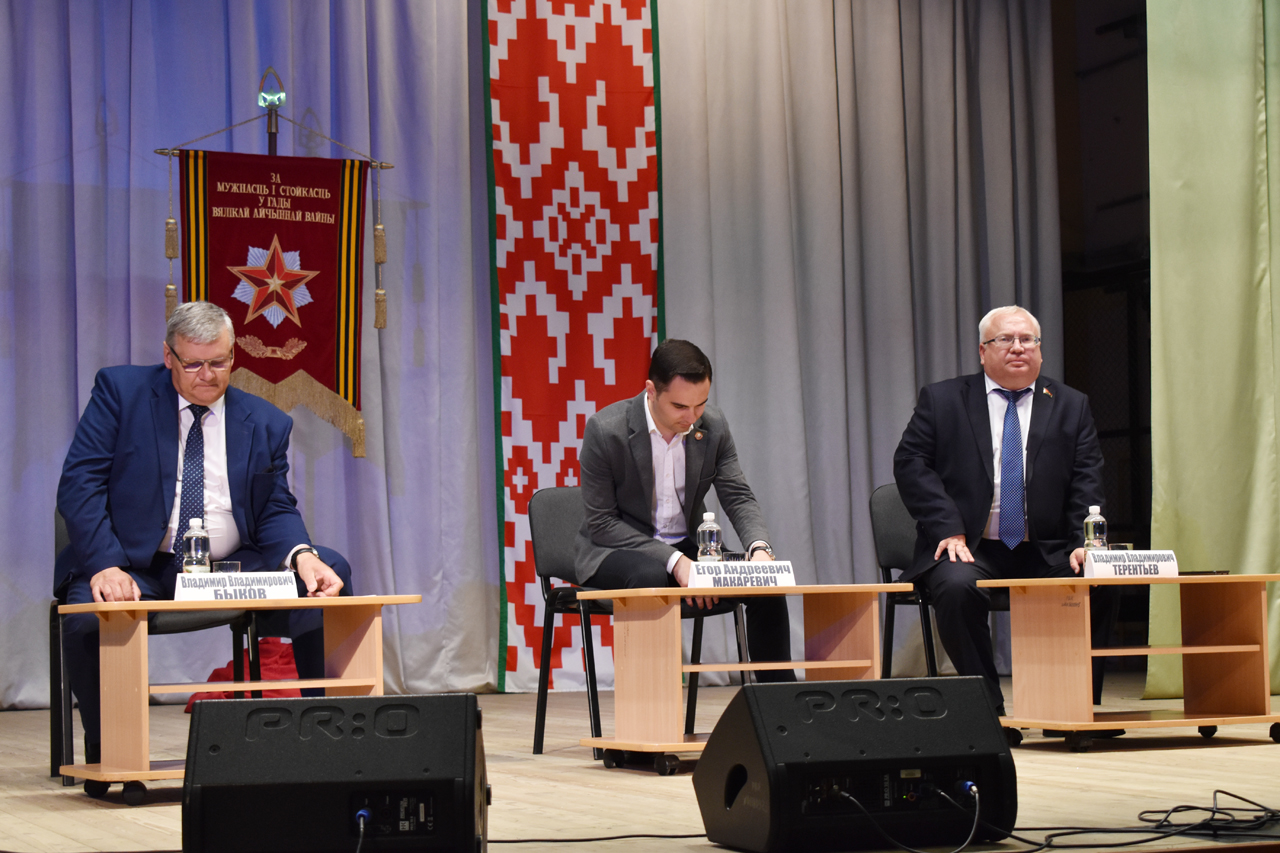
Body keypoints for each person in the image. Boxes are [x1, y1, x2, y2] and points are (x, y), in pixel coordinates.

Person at [56, 301, 350, 759]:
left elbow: (274, 506)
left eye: (219, 362)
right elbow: (80, 484)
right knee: (86, 618)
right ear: (169, 356)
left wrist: (301, 554)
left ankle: (328, 738)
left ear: (233, 355)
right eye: (193, 364)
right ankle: (110, 750)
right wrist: (105, 565)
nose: (208, 376)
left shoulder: (266, 421)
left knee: (328, 572)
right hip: (137, 566)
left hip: (228, 570)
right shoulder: (121, 392)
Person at [892, 306, 1104, 711]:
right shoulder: (943, 399)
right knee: (956, 589)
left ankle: (1071, 708)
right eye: (1005, 339)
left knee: (1098, 580)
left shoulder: (1070, 404)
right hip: (971, 547)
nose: (1017, 347)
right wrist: (947, 527)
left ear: (1040, 350)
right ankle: (988, 710)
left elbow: (1086, 479)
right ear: (982, 351)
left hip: (1045, 549)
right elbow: (910, 463)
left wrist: (1083, 541)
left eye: (1027, 340)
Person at [574, 339, 794, 681]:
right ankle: (650, 703)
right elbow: (602, 523)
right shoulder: (606, 431)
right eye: (679, 406)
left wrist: (759, 549)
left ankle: (779, 704)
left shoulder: (713, 426)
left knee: (764, 585)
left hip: (691, 549)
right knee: (648, 577)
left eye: (700, 404)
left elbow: (737, 496)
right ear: (651, 390)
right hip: (615, 551)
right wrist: (676, 563)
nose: (691, 418)